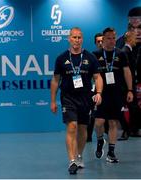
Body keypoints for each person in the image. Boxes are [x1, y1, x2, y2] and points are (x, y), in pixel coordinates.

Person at [50, 27, 103, 174]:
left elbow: (98, 77)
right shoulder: (61, 58)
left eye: (79, 37)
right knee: (72, 126)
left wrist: (99, 92)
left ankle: (79, 155)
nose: (76, 40)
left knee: (82, 129)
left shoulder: (90, 57)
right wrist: (53, 101)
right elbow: (55, 80)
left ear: (82, 39)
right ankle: (72, 160)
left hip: (86, 98)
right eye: (74, 37)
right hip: (68, 97)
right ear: (69, 39)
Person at [93, 27, 133, 163]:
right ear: (103, 40)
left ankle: (111, 152)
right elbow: (91, 75)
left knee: (113, 122)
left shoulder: (121, 54)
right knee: (98, 123)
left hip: (117, 94)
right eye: (109, 38)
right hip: (101, 94)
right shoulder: (95, 55)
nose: (112, 41)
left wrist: (130, 90)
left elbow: (127, 72)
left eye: (114, 38)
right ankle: (100, 141)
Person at [116, 6, 141, 137]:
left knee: (134, 106)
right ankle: (128, 129)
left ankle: (134, 128)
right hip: (125, 77)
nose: (135, 21)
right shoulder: (121, 39)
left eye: (138, 19)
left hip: (138, 76)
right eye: (132, 19)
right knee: (127, 103)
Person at [87, 32, 104, 142]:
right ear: (95, 43)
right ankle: (88, 136)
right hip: (95, 88)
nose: (101, 43)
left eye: (102, 41)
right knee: (93, 113)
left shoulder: (113, 54)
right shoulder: (92, 56)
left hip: (110, 89)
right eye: (98, 41)